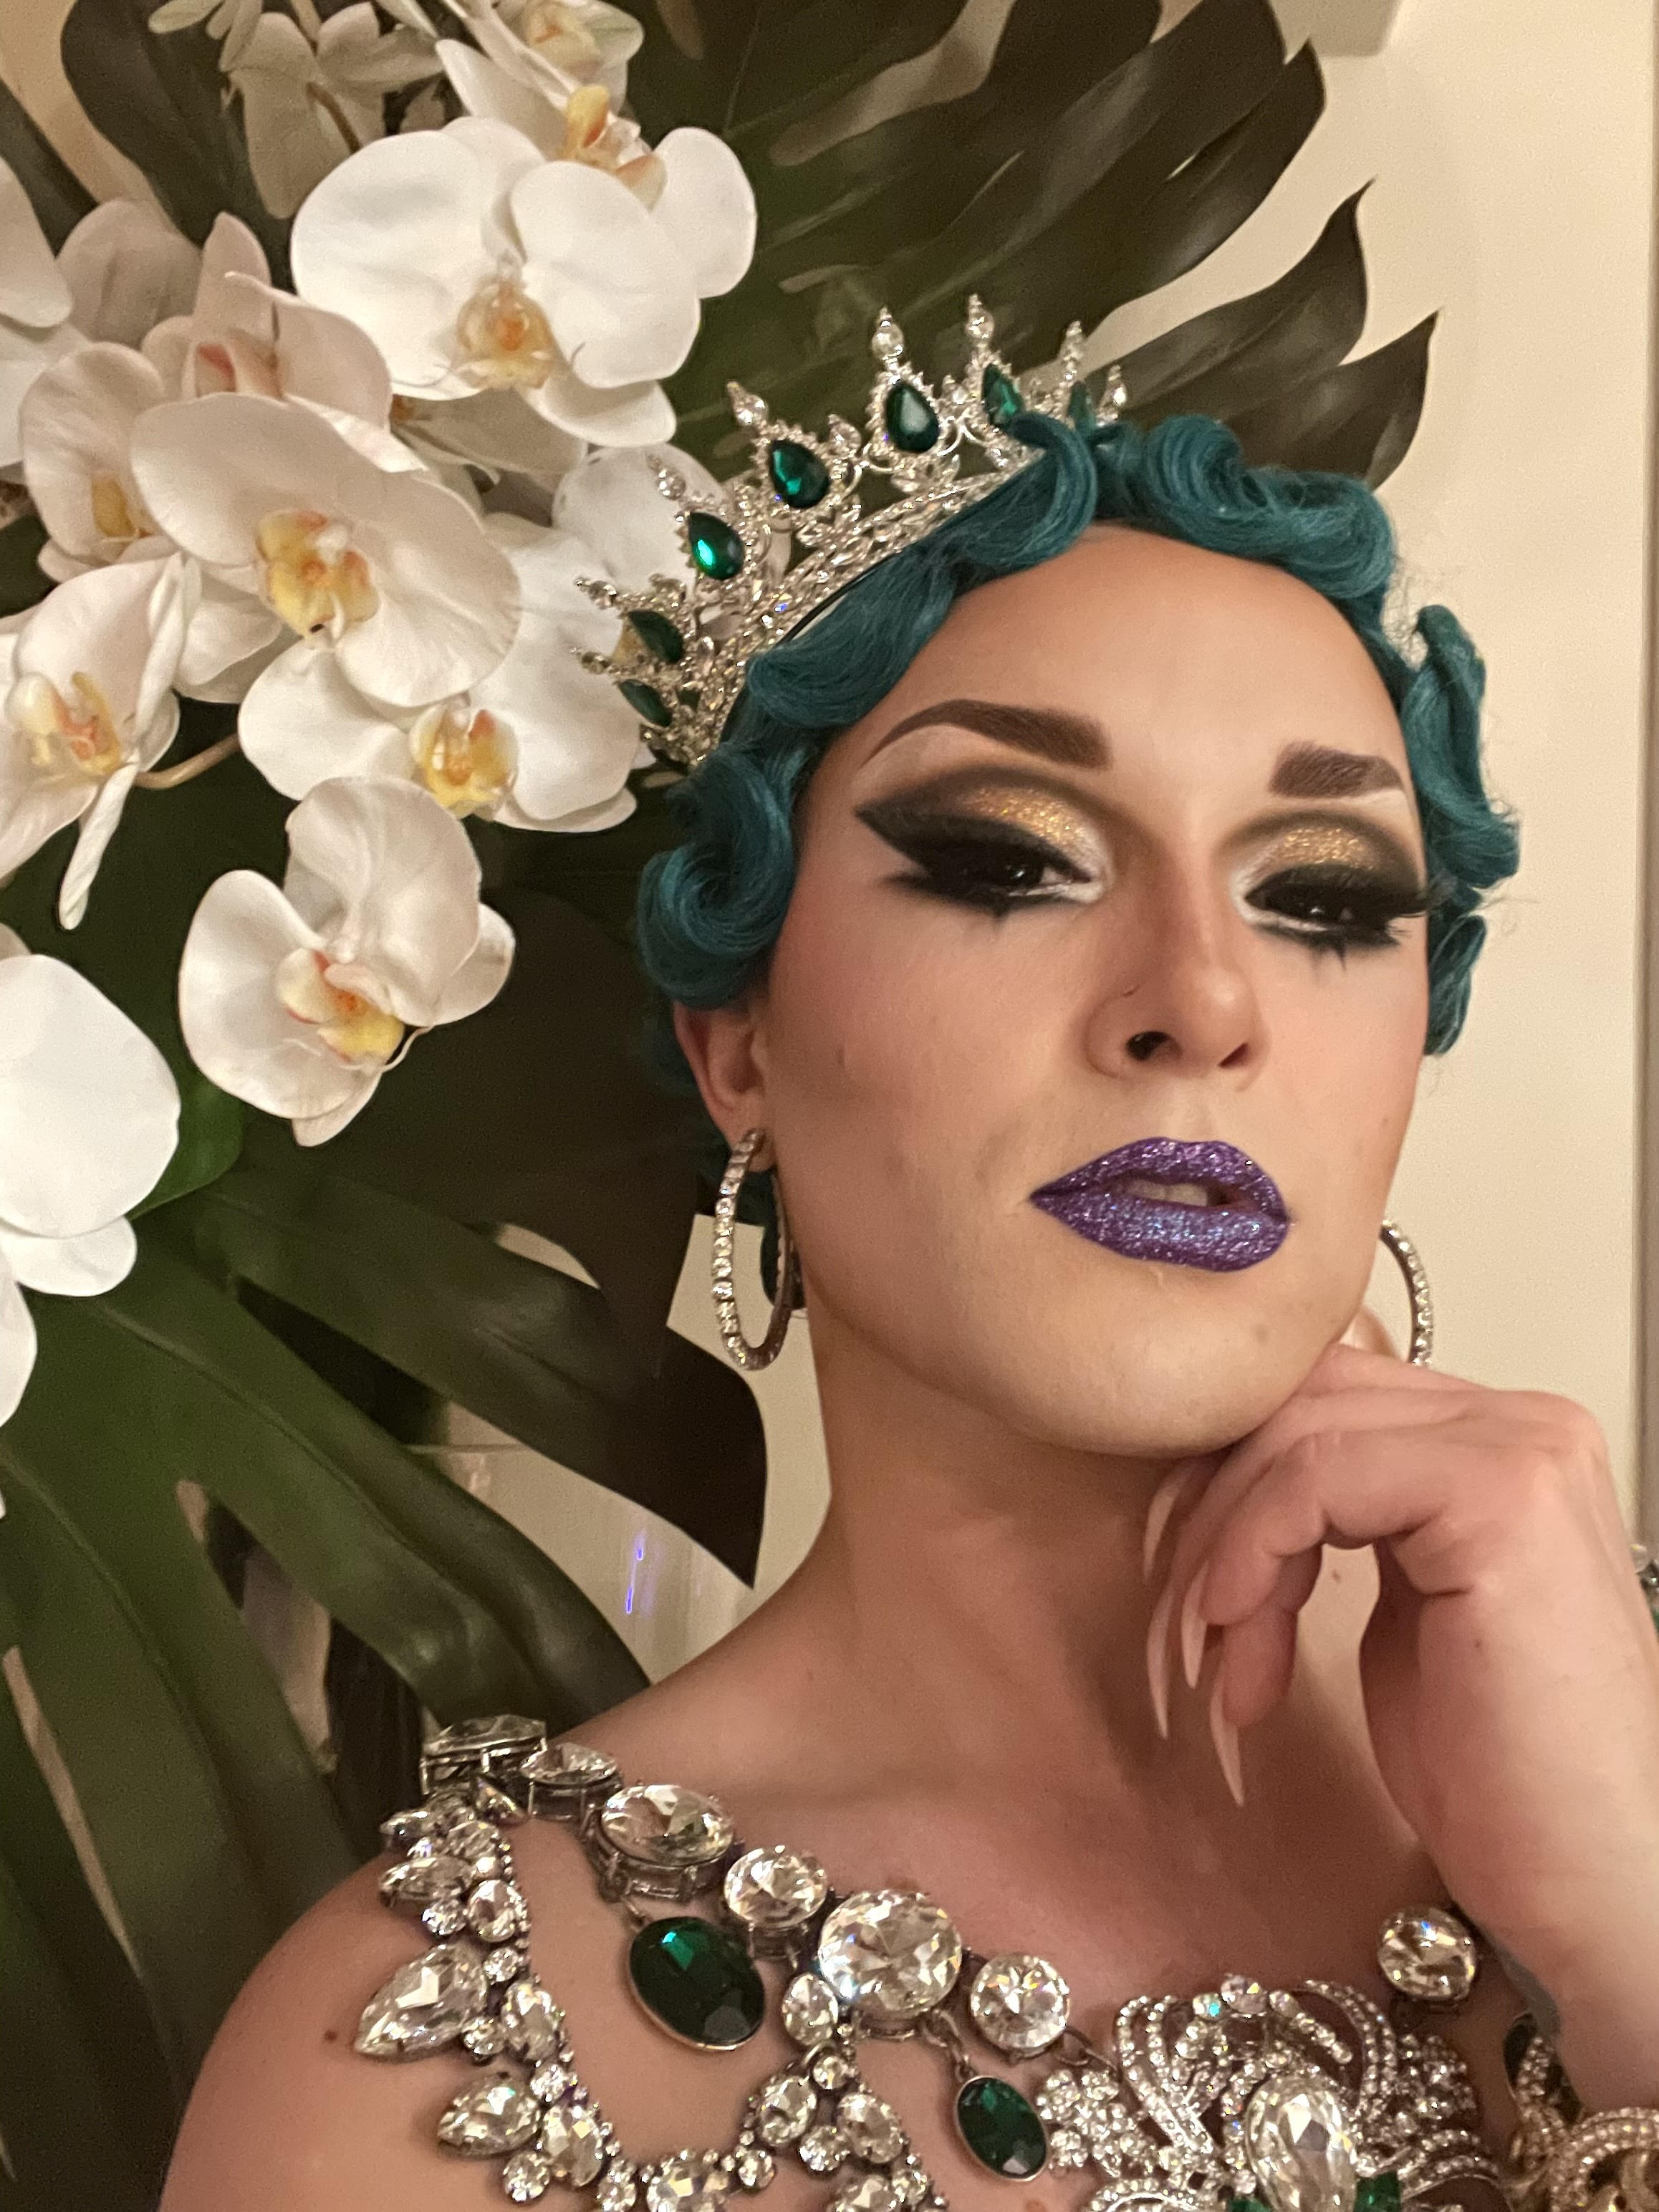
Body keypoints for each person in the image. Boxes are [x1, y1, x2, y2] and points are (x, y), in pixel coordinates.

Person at [160, 330, 1659, 2212]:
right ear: (740, 1047)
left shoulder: (1626, 1717)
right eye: (1009, 860)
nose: (1203, 1000)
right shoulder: (433, 2062)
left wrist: (1631, 1926)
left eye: (1323, 897)